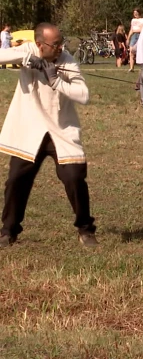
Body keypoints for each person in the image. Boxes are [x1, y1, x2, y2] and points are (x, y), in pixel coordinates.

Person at [0, 23, 97, 247]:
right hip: (31, 128)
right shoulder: (28, 51)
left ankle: (85, 228)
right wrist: (27, 60)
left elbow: (84, 95)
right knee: (15, 180)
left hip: (60, 129)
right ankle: (8, 231)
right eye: (55, 44)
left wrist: (57, 81)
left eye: (61, 42)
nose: (60, 47)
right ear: (40, 44)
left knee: (74, 177)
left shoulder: (67, 59)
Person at [126, 8, 143, 73]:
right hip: (134, 35)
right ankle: (131, 68)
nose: (135, 14)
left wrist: (135, 30)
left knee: (140, 51)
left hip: (140, 35)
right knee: (131, 51)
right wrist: (128, 38)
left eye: (136, 13)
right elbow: (131, 29)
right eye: (134, 13)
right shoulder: (133, 20)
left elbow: (142, 29)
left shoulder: (142, 20)